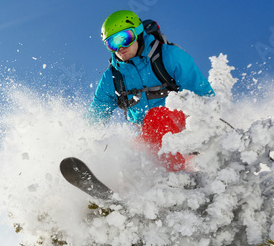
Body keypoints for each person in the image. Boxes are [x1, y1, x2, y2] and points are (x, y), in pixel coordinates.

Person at [87, 10, 213, 171]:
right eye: (112, 43)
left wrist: (213, 134)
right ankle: (135, 189)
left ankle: (179, 177)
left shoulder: (170, 56)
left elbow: (205, 95)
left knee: (156, 118)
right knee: (127, 151)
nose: (120, 47)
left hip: (185, 130)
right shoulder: (111, 78)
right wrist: (81, 145)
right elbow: (95, 118)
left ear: (138, 34)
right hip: (149, 136)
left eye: (125, 38)